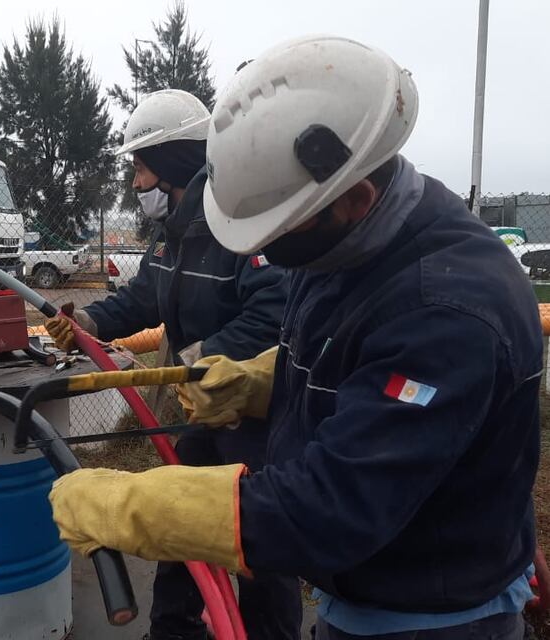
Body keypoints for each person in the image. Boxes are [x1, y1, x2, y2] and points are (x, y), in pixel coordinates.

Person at [49, 35, 541, 640]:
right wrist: (263, 380)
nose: (265, 251)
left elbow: (329, 510)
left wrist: (135, 505)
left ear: (355, 198)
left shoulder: (445, 310)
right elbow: (341, 358)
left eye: (277, 234)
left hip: (427, 616)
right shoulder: (348, 243)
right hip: (367, 591)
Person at [45, 88, 297, 640]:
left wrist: (195, 363)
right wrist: (87, 324)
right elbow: (141, 299)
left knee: (257, 548)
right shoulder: (171, 234)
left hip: (252, 418)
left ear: (172, 164)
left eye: (139, 169)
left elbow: (275, 308)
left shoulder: (237, 224)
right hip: (201, 412)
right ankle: (174, 630)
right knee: (179, 522)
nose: (135, 184)